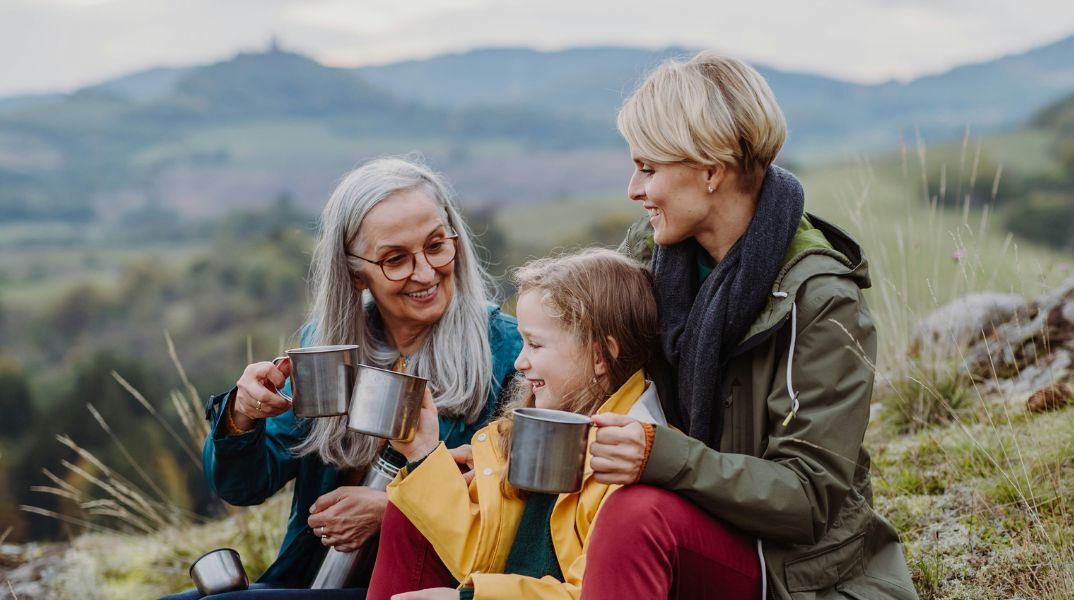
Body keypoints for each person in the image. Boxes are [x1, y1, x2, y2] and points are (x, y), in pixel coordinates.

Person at [584, 52, 918, 599]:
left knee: (636, 514)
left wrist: (662, 455)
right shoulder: (661, 267)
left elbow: (808, 499)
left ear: (712, 171)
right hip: (701, 532)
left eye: (648, 169)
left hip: (799, 572)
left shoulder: (821, 298)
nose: (633, 189)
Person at [165, 157, 522, 599]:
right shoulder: (329, 346)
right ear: (355, 273)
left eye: (435, 246)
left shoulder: (510, 353)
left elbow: (519, 501)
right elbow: (244, 485)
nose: (426, 273)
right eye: (395, 259)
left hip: (427, 586)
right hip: (313, 577)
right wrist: (243, 414)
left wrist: (394, 509)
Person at [365, 248, 669, 599]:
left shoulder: (627, 461)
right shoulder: (530, 433)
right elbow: (480, 555)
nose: (521, 361)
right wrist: (422, 452)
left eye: (536, 344)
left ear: (601, 355)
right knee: (404, 516)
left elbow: (594, 592)